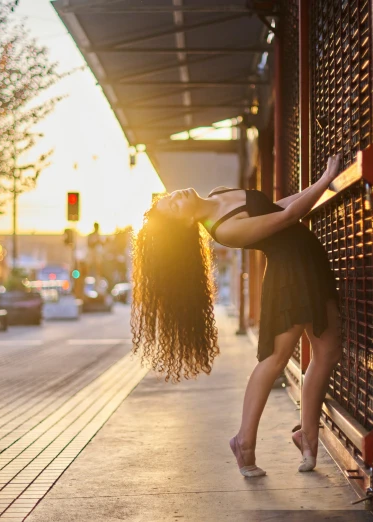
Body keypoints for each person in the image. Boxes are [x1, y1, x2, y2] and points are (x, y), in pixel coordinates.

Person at [131, 154, 344, 477]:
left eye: (169, 198)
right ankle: (244, 442)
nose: (176, 197)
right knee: (275, 359)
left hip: (311, 266)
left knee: (328, 351)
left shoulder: (218, 193)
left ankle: (306, 435)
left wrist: (318, 185)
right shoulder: (225, 230)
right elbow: (287, 217)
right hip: (291, 279)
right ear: (186, 224)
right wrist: (326, 179)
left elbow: (277, 206)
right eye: (173, 207)